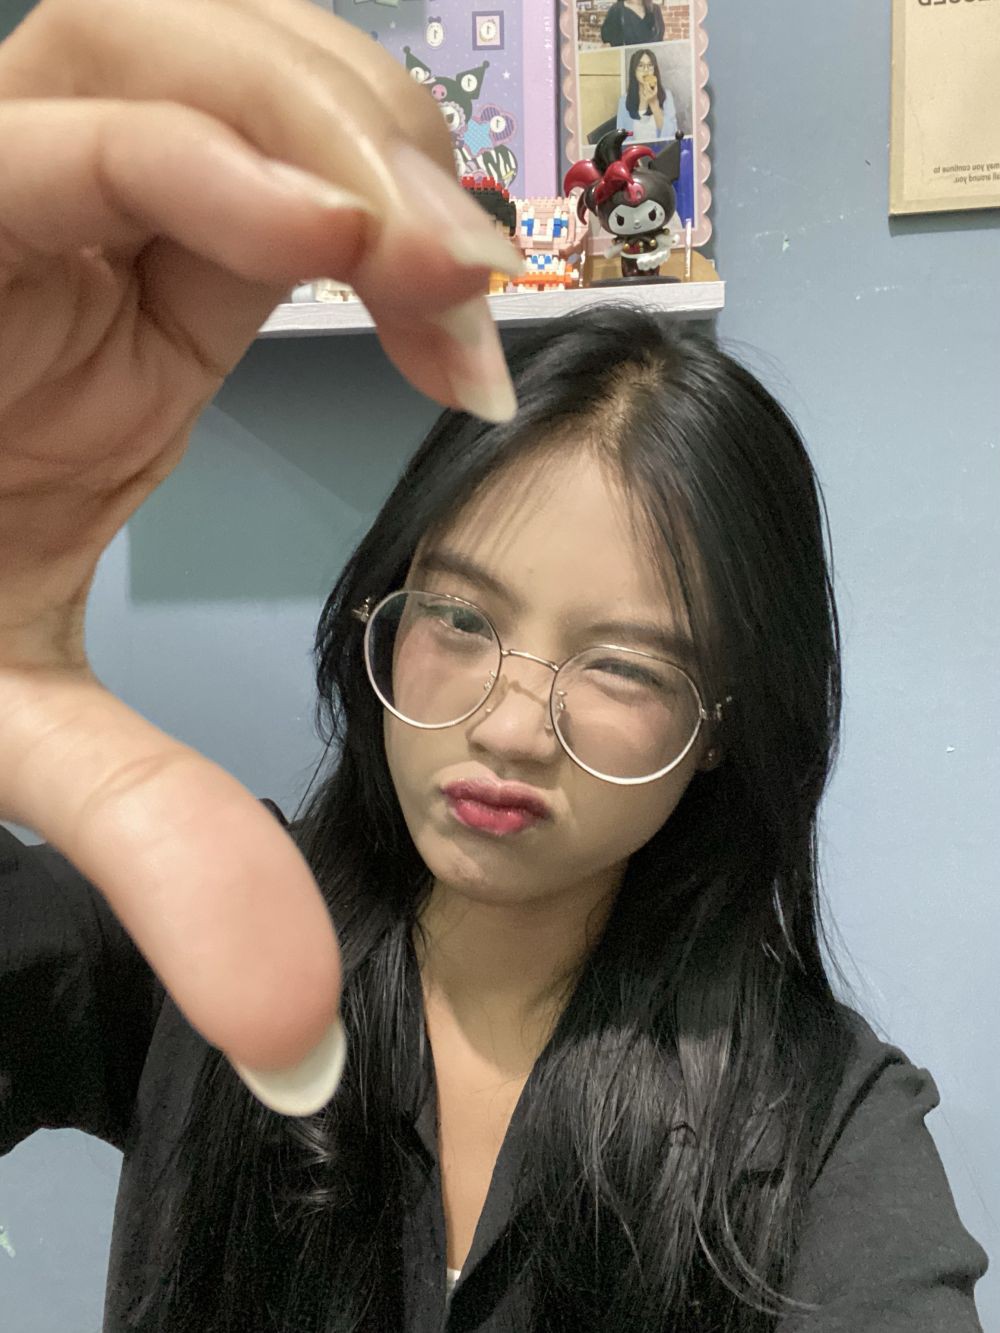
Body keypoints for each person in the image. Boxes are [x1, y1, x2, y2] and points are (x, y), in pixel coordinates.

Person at [0, 3, 988, 1331]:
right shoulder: (210, 934)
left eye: (623, 666)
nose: (513, 728)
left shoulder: (822, 1136)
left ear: (722, 722)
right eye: (460, 620)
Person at [617, 47, 678, 143]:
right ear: (634, 70)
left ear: (654, 69)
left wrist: (654, 103)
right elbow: (621, 138)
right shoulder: (624, 101)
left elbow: (671, 136)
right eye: (641, 65)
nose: (646, 70)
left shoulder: (667, 96)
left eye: (650, 65)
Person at [601, 0, 665, 48]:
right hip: (627, 60)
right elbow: (608, 41)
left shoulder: (655, 10)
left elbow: (660, 39)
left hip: (651, 60)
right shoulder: (616, 10)